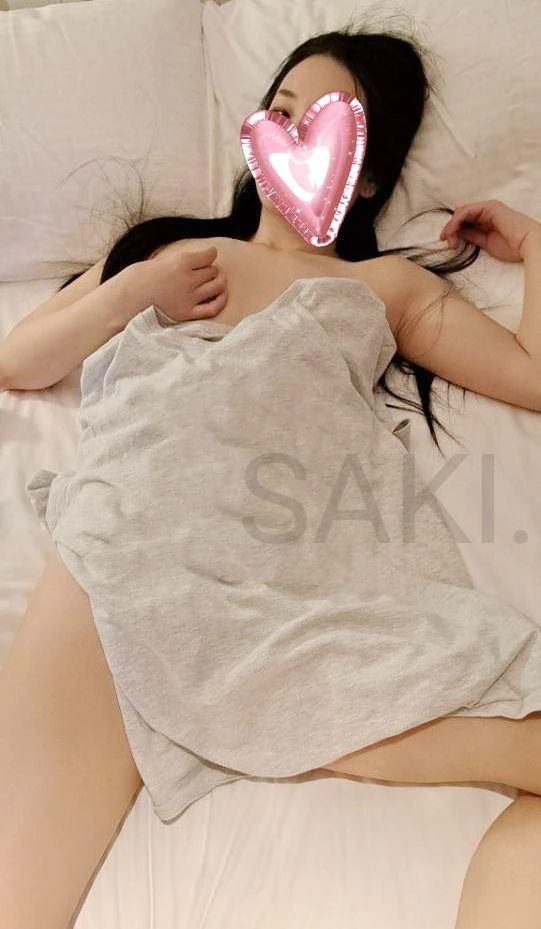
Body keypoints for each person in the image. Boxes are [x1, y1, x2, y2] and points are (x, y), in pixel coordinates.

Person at [1, 26, 541, 929]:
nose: (291, 133)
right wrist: (134, 293)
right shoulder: (165, 249)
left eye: (324, 121)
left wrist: (532, 241)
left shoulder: (386, 287)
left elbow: (533, 373)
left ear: (367, 176)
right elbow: (19, 359)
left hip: (285, 542)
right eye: (279, 111)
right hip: (130, 522)